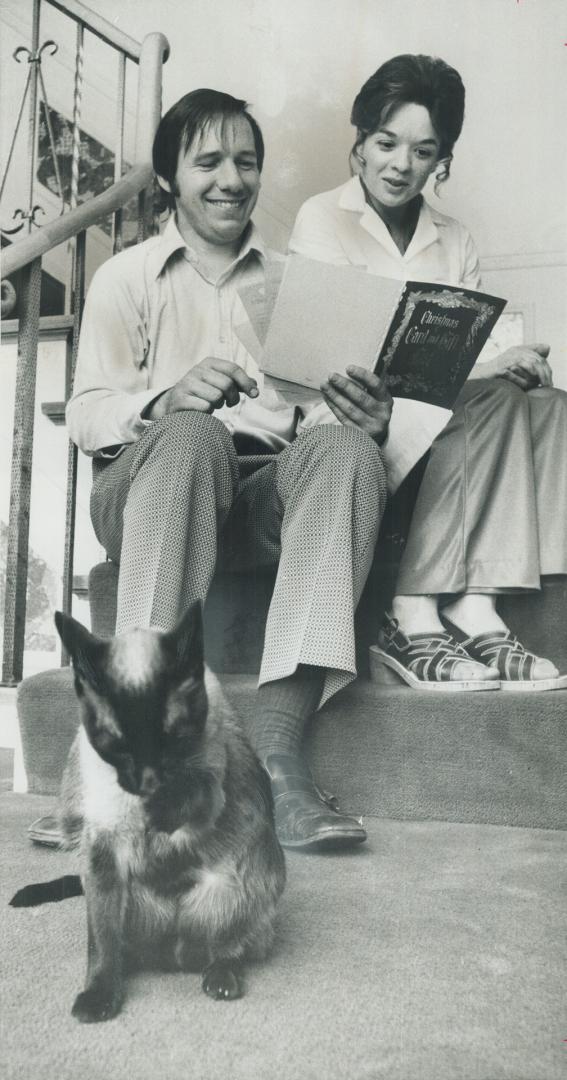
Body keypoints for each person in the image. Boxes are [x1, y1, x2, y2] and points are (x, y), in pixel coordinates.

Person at [65, 89, 393, 851]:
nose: (230, 179)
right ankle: (118, 753)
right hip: (146, 486)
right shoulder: (128, 276)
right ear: (170, 180)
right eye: (207, 161)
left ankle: (277, 757)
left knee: (347, 449)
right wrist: (165, 399)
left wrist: (360, 420)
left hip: (255, 495)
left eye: (246, 162)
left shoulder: (293, 282)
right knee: (192, 437)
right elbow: (85, 416)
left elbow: (314, 422)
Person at [289, 53, 567, 691]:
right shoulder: (319, 218)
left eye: (423, 151)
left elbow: (467, 347)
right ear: (359, 142)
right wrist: (489, 367)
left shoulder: (455, 237)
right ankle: (411, 610)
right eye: (386, 143)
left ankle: (478, 602)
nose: (400, 165)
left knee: (548, 406)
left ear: (442, 158)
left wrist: (511, 364)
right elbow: (335, 356)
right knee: (491, 394)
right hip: (352, 425)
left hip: (442, 419)